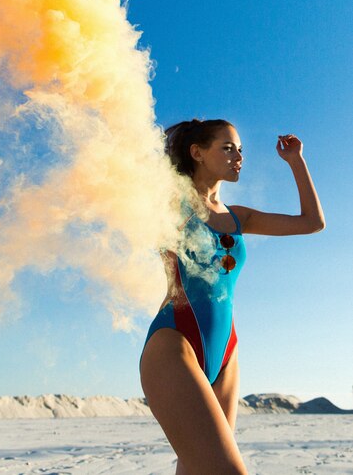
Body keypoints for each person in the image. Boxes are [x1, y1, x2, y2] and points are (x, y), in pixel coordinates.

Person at [139, 119, 325, 475]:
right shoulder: (169, 205)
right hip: (174, 345)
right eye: (227, 148)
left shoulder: (238, 217)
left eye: (240, 149)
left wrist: (296, 161)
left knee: (197, 468)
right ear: (197, 153)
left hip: (226, 354)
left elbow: (311, 222)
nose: (238, 156)